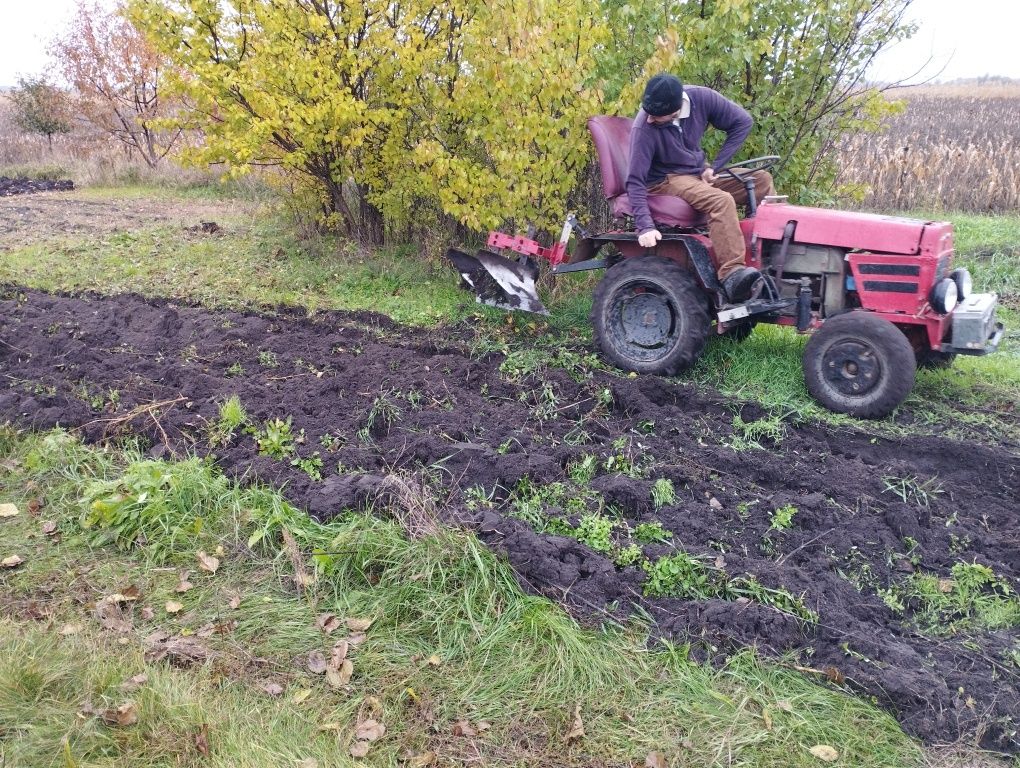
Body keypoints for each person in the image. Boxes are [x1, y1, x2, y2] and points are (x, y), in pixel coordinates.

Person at [626, 73, 775, 302]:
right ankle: (732, 275)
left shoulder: (701, 98)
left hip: (695, 174)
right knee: (721, 200)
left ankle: (770, 258)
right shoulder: (643, 128)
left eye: (657, 116)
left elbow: (742, 122)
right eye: (649, 113)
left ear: (676, 109)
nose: (649, 119)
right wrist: (645, 226)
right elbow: (635, 180)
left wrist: (715, 167)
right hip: (665, 180)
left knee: (761, 180)